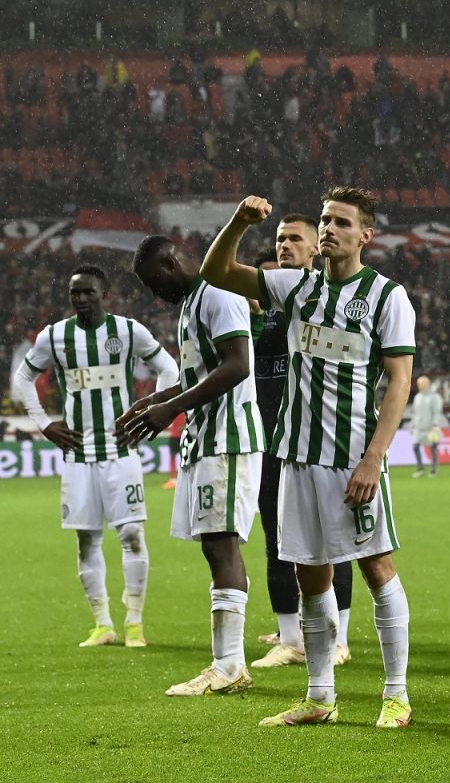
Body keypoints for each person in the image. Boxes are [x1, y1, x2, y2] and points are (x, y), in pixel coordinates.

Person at [200, 187, 418, 729]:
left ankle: (396, 696)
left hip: (351, 459)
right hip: (295, 457)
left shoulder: (387, 297)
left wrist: (374, 458)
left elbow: (399, 383)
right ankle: (320, 696)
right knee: (310, 576)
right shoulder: (295, 286)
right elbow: (215, 271)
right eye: (325, 220)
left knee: (377, 569)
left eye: (342, 222)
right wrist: (239, 221)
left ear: (365, 235)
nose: (329, 229)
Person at [123, 236, 266, 697]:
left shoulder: (219, 293)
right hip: (206, 439)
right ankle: (227, 663)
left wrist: (172, 408)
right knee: (214, 546)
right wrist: (155, 401)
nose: (154, 294)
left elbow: (238, 365)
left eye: (153, 282)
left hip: (228, 437)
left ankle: (229, 665)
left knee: (222, 545)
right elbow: (198, 376)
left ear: (170, 262)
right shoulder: (192, 303)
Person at [11, 264, 178, 649]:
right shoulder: (55, 336)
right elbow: (23, 377)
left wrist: (150, 410)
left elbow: (168, 368)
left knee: (132, 534)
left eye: (89, 292)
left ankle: (134, 622)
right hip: (78, 455)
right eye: (75, 293)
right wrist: (44, 423)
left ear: (106, 294)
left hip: (121, 452)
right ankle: (103, 624)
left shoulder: (129, 331)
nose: (82, 298)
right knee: (86, 540)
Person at [248, 222, 358, 671]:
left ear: (316, 247)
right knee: (277, 538)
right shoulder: (254, 312)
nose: (284, 246)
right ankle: (290, 638)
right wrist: (253, 314)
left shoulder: (320, 300)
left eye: (294, 238)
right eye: (280, 239)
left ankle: (340, 639)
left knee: (336, 541)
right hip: (267, 439)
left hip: (320, 439)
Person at [410, 376, 446, 478]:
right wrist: (412, 424)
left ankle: (434, 470)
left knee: (433, 447)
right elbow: (414, 412)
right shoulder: (417, 397)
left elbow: (437, 412)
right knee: (415, 446)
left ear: (428, 384)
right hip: (419, 428)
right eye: (419, 384)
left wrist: (435, 424)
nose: (420, 386)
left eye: (422, 383)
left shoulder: (434, 397)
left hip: (431, 428)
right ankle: (420, 468)